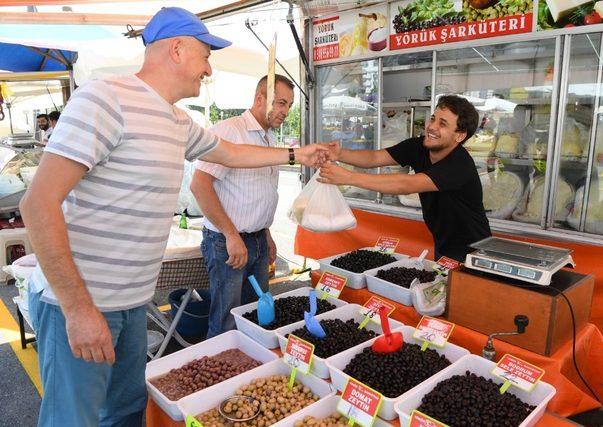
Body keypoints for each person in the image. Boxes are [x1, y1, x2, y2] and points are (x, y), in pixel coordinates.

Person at [19, 7, 326, 427]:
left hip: (132, 303)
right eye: (205, 56)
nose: (209, 70)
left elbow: (232, 153)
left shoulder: (178, 120)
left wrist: (296, 154)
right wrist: (79, 311)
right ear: (177, 49)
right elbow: (37, 205)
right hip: (85, 303)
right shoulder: (104, 99)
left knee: (126, 411)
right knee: (74, 419)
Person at [319, 95, 491, 262]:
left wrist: (348, 177)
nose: (431, 127)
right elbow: (374, 158)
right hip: (443, 243)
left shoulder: (459, 164)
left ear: (459, 135)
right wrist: (340, 154)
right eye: (432, 119)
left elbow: (406, 184)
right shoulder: (418, 146)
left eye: (442, 124)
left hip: (475, 251)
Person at [190, 74, 294, 338]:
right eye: (281, 103)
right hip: (228, 242)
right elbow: (200, 185)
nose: (285, 112)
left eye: (289, 105)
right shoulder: (229, 131)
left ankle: (251, 373)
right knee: (227, 321)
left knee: (256, 316)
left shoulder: (268, 138)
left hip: (258, 241)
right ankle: (220, 375)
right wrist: (231, 235)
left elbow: (258, 192)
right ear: (260, 98)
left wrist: (266, 233)